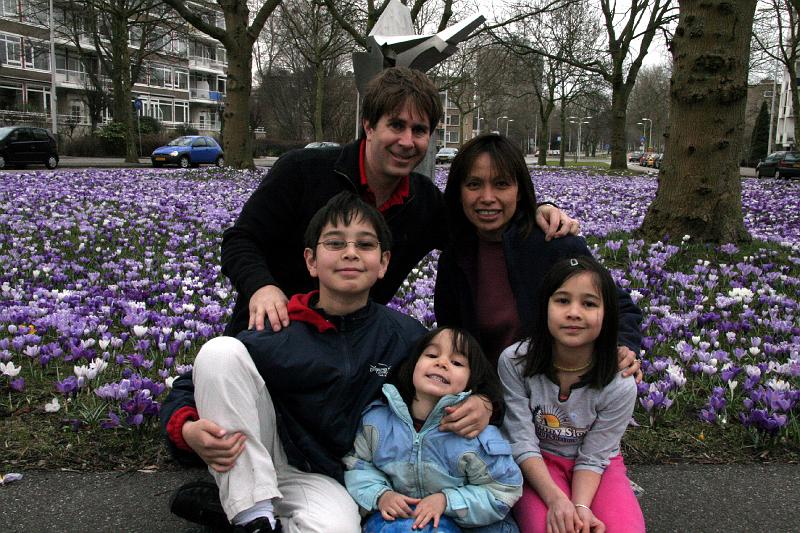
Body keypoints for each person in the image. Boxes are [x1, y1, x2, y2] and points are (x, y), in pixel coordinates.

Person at [221, 66, 577, 339]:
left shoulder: (424, 202)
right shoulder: (303, 170)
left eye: (419, 130)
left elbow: (483, 221)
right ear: (369, 126)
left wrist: (537, 209)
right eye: (396, 125)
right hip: (271, 328)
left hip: (352, 346)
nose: (407, 141)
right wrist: (262, 288)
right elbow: (241, 240)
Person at [162, 193, 430, 532]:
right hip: (260, 455)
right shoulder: (281, 324)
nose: (350, 253)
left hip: (326, 475)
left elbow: (455, 380)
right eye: (334, 243)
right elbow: (193, 383)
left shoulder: (404, 336)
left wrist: (480, 403)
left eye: (365, 245)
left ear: (384, 263)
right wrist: (186, 429)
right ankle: (252, 516)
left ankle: (231, 508)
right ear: (311, 261)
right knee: (220, 352)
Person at [434, 134, 642, 370]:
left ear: (519, 191)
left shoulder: (554, 244)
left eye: (501, 184)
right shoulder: (454, 258)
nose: (487, 198)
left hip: (552, 394)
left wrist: (624, 345)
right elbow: (451, 336)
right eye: (474, 184)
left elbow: (620, 307)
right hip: (483, 394)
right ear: (459, 192)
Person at [498, 256, 645, 533]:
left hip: (597, 466)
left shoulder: (620, 382)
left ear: (608, 314)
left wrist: (581, 508)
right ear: (544, 308)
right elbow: (521, 440)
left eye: (589, 303)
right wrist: (556, 500)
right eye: (562, 301)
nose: (574, 313)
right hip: (537, 461)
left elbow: (594, 456)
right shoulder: (515, 361)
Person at [344, 327, 523, 533]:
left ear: (471, 381)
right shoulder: (377, 422)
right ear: (412, 365)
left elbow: (504, 490)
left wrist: (446, 501)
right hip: (399, 520)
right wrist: (381, 495)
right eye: (431, 355)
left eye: (457, 363)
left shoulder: (475, 435)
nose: (442, 363)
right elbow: (357, 465)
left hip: (467, 525)